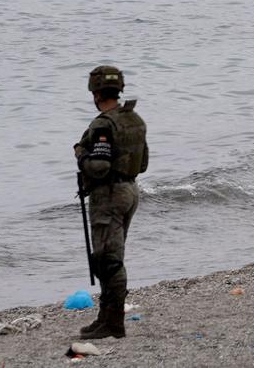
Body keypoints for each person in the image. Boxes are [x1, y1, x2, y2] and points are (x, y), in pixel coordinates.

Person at [73, 65, 149, 339]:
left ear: (95, 93)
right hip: (130, 190)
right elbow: (143, 163)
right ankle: (105, 316)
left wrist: (81, 156)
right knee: (110, 256)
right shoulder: (134, 119)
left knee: (108, 260)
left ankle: (113, 322)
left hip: (110, 195)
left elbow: (100, 167)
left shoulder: (104, 124)